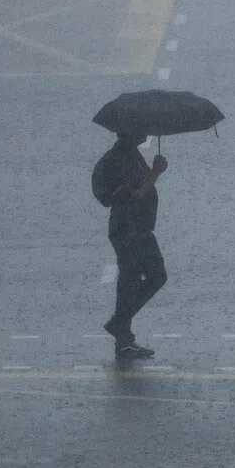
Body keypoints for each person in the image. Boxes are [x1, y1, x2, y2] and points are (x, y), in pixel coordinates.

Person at [92, 131, 169, 359]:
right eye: (140, 128)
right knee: (138, 278)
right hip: (128, 229)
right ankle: (120, 327)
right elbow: (135, 195)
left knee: (144, 278)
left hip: (140, 228)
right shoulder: (120, 159)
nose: (145, 132)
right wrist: (155, 173)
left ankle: (122, 331)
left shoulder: (130, 154)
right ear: (129, 132)